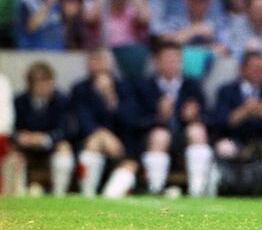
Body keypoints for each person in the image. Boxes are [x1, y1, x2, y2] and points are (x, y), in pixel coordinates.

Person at [135, 42, 213, 197]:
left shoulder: (192, 85)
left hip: (184, 140)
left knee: (197, 130)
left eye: (175, 60)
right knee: (160, 135)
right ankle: (155, 188)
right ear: (156, 63)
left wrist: (193, 117)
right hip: (152, 141)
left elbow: (210, 119)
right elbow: (135, 121)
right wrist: (159, 118)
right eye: (167, 60)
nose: (172, 64)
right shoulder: (144, 86)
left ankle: (197, 190)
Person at [213, 52, 262, 199]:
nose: (260, 72)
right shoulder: (227, 90)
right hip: (234, 139)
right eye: (255, 68)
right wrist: (245, 111)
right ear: (242, 69)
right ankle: (222, 189)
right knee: (223, 146)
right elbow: (219, 122)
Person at [69, 49, 139, 198]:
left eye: (103, 61)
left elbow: (131, 120)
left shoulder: (125, 87)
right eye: (95, 60)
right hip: (89, 141)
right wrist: (102, 135)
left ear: (112, 65)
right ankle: (88, 195)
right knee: (93, 143)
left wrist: (110, 97)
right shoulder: (79, 89)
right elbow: (81, 120)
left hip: (121, 143)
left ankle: (108, 197)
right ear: (87, 64)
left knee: (130, 163)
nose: (100, 65)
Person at [8, 62, 74, 196]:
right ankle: (18, 195)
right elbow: (11, 128)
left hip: (51, 146)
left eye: (48, 82)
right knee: (12, 153)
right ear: (31, 85)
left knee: (64, 147)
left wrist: (45, 138)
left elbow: (66, 130)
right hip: (26, 148)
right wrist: (19, 137)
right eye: (40, 83)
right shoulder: (19, 101)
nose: (45, 87)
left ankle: (59, 195)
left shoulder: (62, 100)